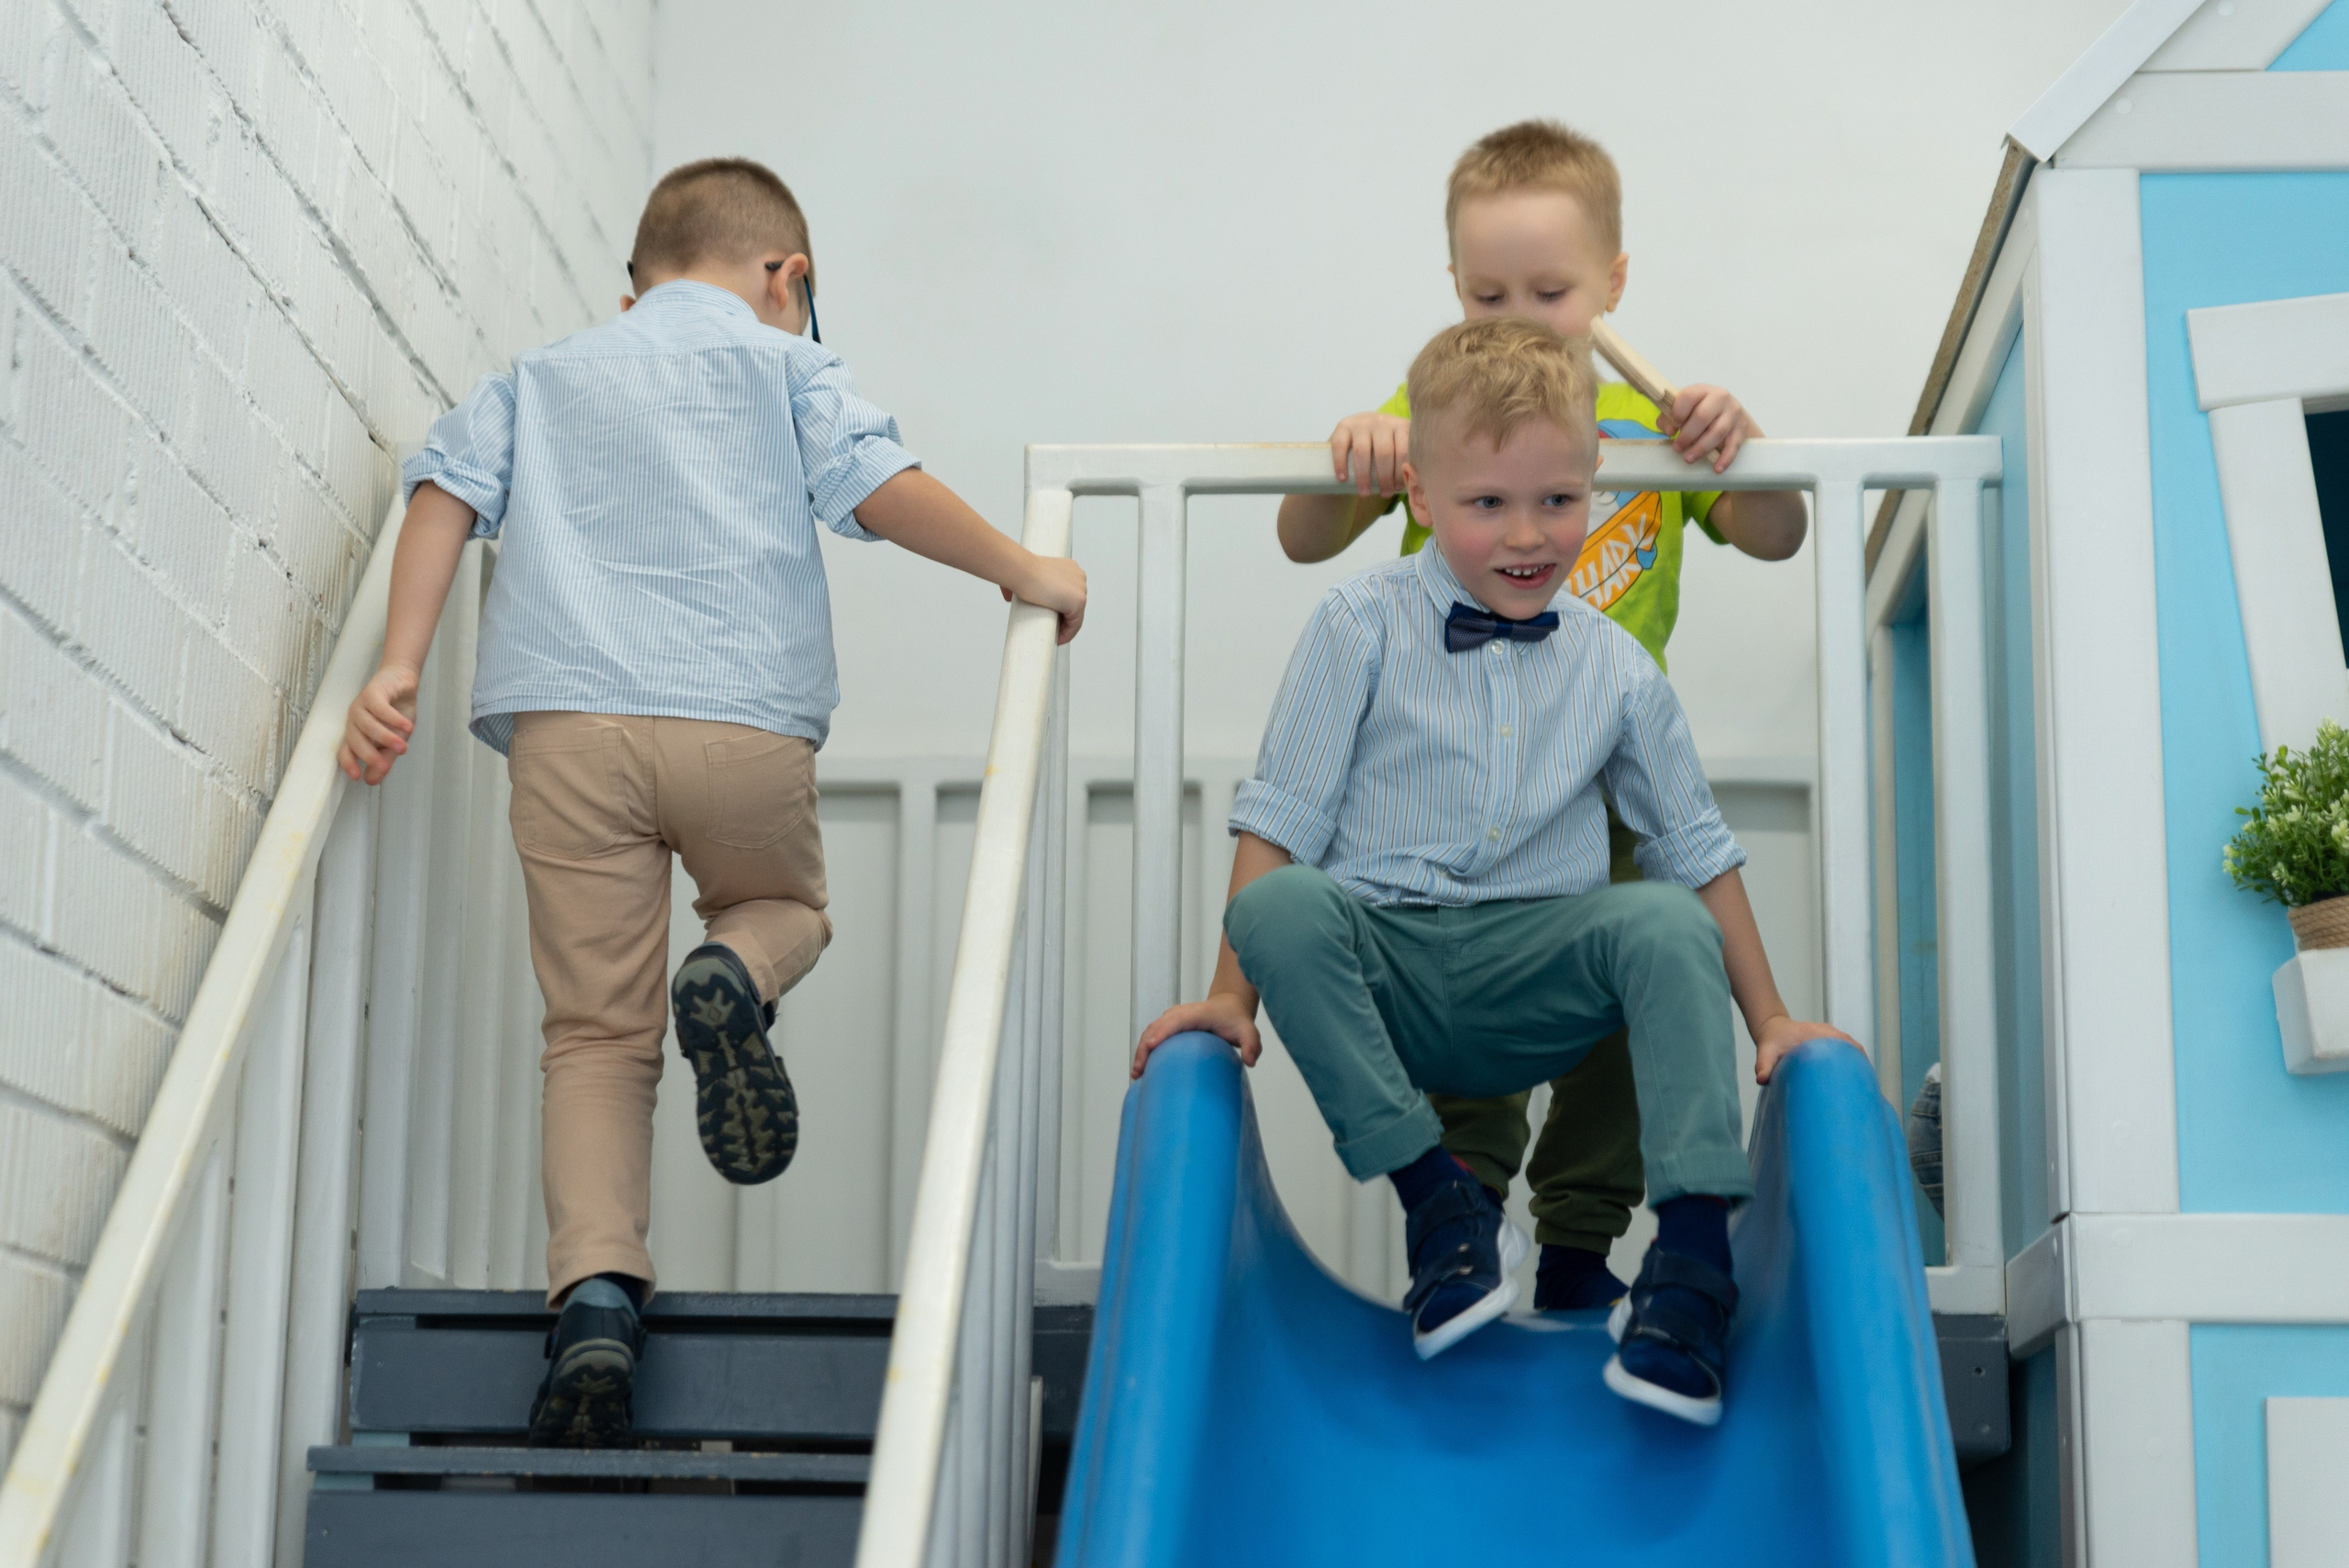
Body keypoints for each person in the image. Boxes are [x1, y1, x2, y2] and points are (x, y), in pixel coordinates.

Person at [334, 158, 1086, 1447]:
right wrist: (1025, 570)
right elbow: (878, 488)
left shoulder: (544, 373)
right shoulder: (785, 365)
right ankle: (734, 969)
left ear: (636, 288)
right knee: (781, 901)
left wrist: (397, 665)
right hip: (739, 720)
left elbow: (443, 493)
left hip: (566, 726)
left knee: (591, 1036)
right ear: (784, 278)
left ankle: (595, 1303)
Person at [1137, 317, 1848, 1426]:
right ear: (1419, 494)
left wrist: (1772, 1021)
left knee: (1661, 921)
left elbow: (1696, 845)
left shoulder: (1615, 666)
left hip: (1537, 968)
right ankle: (1440, 1206)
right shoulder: (1355, 623)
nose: (1528, 535)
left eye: (1557, 502)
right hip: (1398, 969)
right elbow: (1279, 816)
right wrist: (1229, 1000)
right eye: (1488, 506)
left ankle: (1691, 1272)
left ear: (1596, 483)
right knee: (1277, 901)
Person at [1272, 119, 1811, 1312]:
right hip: (1453, 767)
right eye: (1486, 293)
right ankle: (1463, 1204)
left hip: (1603, 766)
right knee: (1456, 957)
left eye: (1552, 290)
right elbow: (1301, 537)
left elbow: (1781, 536)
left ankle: (1579, 1239)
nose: (1516, 315)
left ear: (1616, 284)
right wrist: (1348, 459)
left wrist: (1743, 451)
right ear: (1453, 294)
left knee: (1645, 977)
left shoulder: (1652, 424)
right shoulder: (1438, 407)